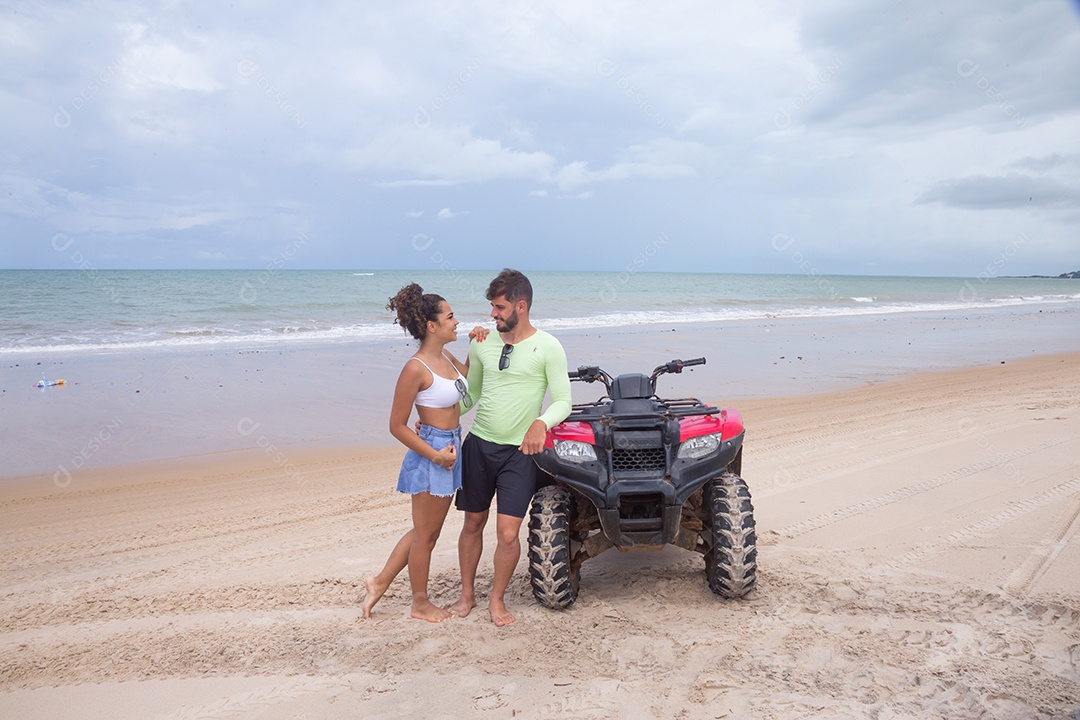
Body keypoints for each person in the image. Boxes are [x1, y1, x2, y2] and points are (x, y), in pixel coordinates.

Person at [452, 269, 572, 626]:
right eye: (491, 306)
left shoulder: (548, 346)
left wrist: (541, 423)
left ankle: (497, 598)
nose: (493, 314)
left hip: (519, 454)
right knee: (473, 522)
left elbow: (563, 400)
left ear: (521, 306)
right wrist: (436, 417)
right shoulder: (481, 342)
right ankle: (467, 593)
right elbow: (469, 396)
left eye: (500, 307)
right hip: (479, 446)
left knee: (507, 533)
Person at [362, 283, 485, 622]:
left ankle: (380, 582)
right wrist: (436, 456)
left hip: (450, 445)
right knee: (426, 536)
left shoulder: (444, 356)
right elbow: (397, 425)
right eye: (450, 316)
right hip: (434, 452)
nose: (456, 321)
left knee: (423, 532)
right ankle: (419, 604)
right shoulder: (415, 368)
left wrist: (477, 343)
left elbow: (469, 379)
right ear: (432, 326)